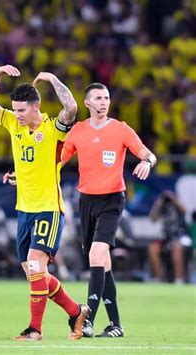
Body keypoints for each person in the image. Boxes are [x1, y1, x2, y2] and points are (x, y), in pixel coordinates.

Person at [0, 64, 89, 341]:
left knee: (36, 264)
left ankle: (35, 329)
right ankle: (76, 312)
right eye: (14, 110)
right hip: (24, 210)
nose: (17, 115)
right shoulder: (13, 124)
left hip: (48, 209)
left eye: (22, 110)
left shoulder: (54, 129)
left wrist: (52, 77)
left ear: (36, 105)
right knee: (34, 274)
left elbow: (71, 108)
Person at [61, 82, 157, 338]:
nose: (103, 102)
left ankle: (87, 319)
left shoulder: (121, 130)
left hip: (113, 200)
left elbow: (148, 154)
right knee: (102, 263)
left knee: (96, 254)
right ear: (87, 103)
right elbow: (57, 161)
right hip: (87, 202)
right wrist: (25, 176)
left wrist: (147, 162)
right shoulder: (79, 131)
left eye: (106, 98)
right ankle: (116, 325)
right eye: (98, 98)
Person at [147, 190, 192, 284]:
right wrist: (159, 203)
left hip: (180, 236)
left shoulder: (178, 207)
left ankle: (178, 279)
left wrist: (173, 199)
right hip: (165, 237)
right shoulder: (162, 207)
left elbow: (184, 210)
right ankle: (159, 277)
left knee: (177, 248)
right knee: (153, 248)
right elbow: (153, 219)